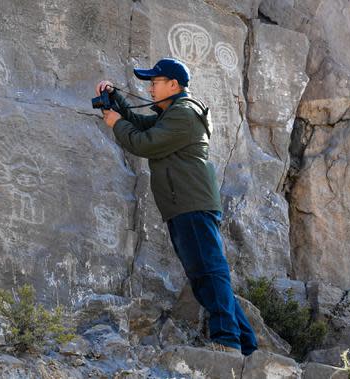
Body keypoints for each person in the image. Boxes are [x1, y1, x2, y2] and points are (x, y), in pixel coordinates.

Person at [95, 58, 258, 356]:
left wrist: (117, 123)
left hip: (191, 202)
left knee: (209, 271)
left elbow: (146, 143)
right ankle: (246, 344)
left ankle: (228, 340)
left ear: (174, 85)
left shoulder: (183, 113)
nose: (151, 88)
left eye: (155, 83)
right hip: (184, 203)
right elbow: (145, 126)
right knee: (205, 273)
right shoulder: (173, 113)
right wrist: (117, 101)